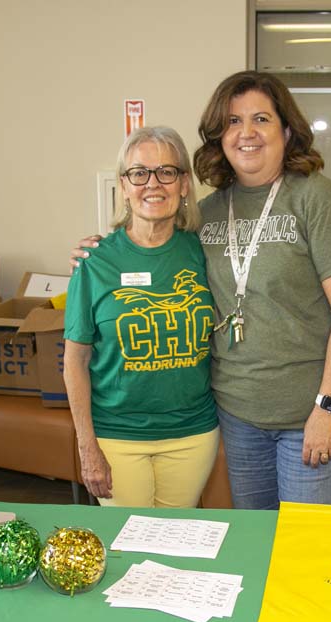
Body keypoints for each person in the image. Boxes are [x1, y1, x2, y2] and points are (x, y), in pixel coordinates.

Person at [73, 71, 331, 510]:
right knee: (253, 541)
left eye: (261, 119)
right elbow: (147, 242)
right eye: (233, 121)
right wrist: (95, 253)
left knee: (306, 548)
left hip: (308, 414)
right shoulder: (208, 214)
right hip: (238, 416)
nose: (246, 133)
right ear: (220, 135)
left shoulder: (320, 202)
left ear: (287, 131)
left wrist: (327, 409)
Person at [63, 127, 219, 508]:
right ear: (123, 185)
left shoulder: (205, 253)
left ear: (184, 184)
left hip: (193, 434)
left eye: (167, 172)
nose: (153, 183)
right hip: (117, 436)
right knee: (130, 544)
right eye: (139, 173)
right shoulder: (95, 262)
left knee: (176, 543)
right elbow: (74, 360)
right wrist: (87, 446)